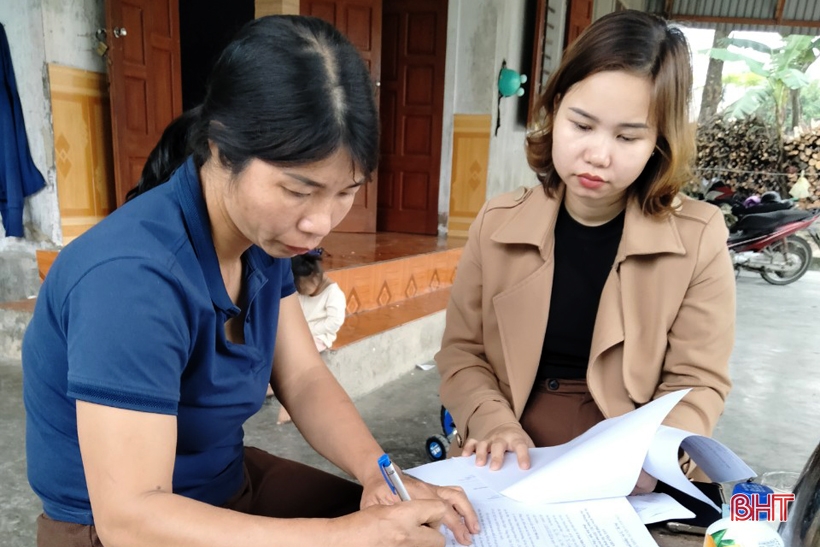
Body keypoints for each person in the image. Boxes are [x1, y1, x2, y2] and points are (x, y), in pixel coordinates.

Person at [22, 15, 478, 547]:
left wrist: (379, 472)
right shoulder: (131, 280)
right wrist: (345, 537)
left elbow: (304, 377)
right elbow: (130, 519)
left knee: (425, 534)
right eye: (298, 189)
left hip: (225, 488)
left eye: (344, 191)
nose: (320, 224)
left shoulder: (262, 242)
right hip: (125, 531)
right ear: (220, 147)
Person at [435, 10, 735, 491]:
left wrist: (653, 457)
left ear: (659, 142)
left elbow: (697, 381)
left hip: (632, 468)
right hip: (508, 457)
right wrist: (491, 420)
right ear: (554, 112)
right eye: (582, 125)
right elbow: (461, 353)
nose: (599, 154)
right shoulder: (497, 223)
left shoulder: (698, 238)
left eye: (627, 136)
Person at [274, 251, 346, 424]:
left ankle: (288, 406)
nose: (301, 292)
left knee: (297, 358)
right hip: (302, 334)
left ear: (314, 277)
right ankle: (272, 385)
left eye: (302, 287)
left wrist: (306, 329)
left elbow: (334, 322)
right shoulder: (302, 292)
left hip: (320, 337)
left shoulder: (333, 293)